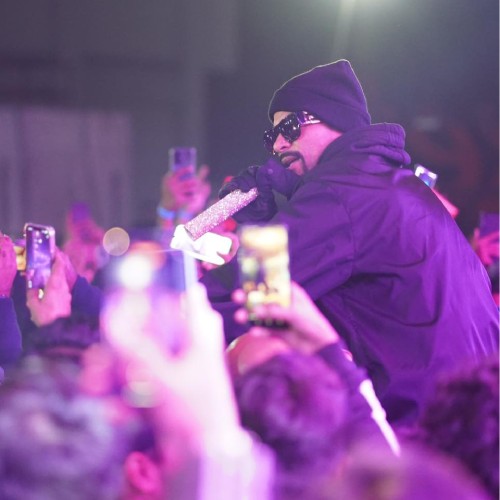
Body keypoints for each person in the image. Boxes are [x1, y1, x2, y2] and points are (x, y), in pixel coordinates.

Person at [201, 59, 499, 426]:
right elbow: (296, 286)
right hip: (475, 418)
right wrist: (266, 220)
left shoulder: (344, 192)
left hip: (424, 426)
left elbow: (256, 297)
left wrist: (167, 313)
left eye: (290, 128)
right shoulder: (390, 183)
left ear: (335, 119)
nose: (278, 144)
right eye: (272, 136)